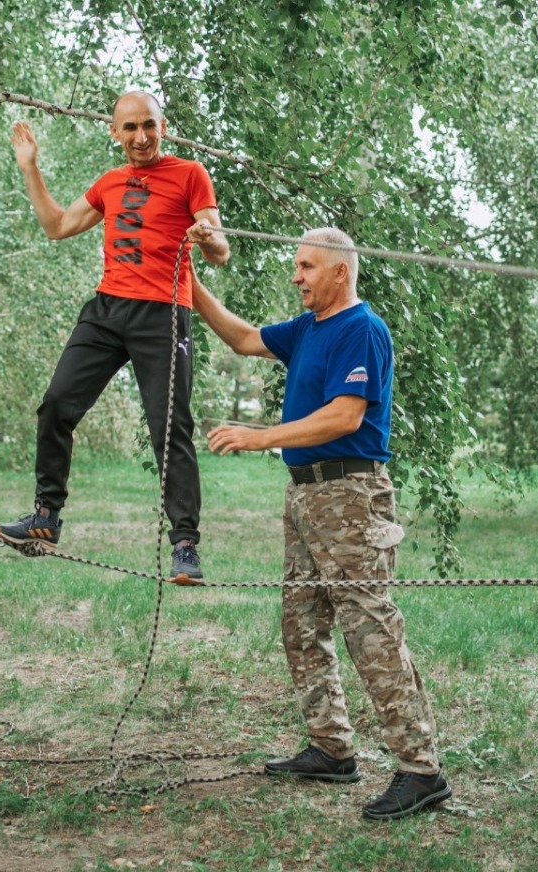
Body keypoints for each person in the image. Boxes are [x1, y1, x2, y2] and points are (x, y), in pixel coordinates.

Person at [189, 225, 450, 821]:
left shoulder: (363, 329)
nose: (296, 276)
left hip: (351, 494)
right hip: (306, 496)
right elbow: (243, 338)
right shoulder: (307, 327)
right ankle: (332, 749)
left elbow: (342, 415)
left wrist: (261, 437)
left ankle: (422, 769)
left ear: (340, 271)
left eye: (306, 267)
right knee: (301, 625)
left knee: (369, 630)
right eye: (296, 266)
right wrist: (191, 284)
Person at [0, 91, 230, 580]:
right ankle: (45, 516)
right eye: (130, 128)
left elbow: (220, 249)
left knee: (170, 428)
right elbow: (57, 226)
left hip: (163, 315)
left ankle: (185, 544)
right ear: (114, 132)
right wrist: (29, 167)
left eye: (149, 126)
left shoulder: (190, 175)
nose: (140, 137)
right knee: (56, 404)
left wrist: (207, 237)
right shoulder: (110, 183)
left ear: (163, 127)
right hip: (106, 311)